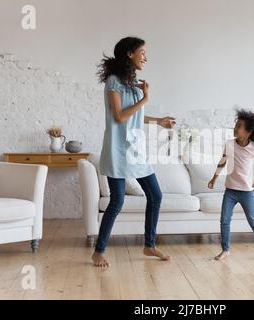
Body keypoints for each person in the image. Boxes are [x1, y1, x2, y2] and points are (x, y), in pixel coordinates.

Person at [92, 36, 176, 268]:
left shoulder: (132, 80)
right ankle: (98, 251)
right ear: (129, 54)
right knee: (117, 201)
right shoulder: (113, 81)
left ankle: (149, 245)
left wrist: (159, 121)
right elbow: (119, 116)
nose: (146, 57)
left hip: (135, 149)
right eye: (143, 52)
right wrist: (146, 98)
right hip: (117, 149)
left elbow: (135, 115)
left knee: (155, 195)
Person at [208, 109, 254, 262]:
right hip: (230, 190)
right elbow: (223, 161)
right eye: (235, 125)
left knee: (253, 221)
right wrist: (214, 178)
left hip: (246, 192)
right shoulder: (230, 144)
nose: (235, 128)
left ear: (248, 131)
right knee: (224, 220)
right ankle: (225, 249)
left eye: (239, 126)